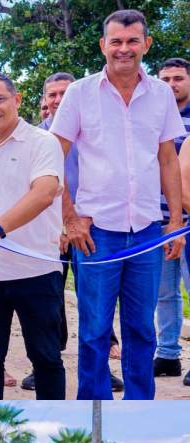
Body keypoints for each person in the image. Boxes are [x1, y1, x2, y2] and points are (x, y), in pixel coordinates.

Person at [50, 9, 186, 400]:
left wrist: (174, 222)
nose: (123, 49)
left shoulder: (160, 94)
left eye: (132, 41)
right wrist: (69, 218)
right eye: (116, 41)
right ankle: (94, 401)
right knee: (93, 330)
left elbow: (167, 161)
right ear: (103, 45)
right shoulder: (79, 93)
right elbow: (52, 157)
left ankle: (140, 403)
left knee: (142, 329)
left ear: (146, 44)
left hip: (145, 230)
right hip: (97, 233)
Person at [0, 71, 66, 400]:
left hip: (35, 271)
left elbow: (45, 192)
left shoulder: (43, 142)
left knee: (45, 357)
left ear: (17, 100)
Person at [27, 71, 124, 395]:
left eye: (64, 93)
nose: (58, 100)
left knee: (94, 301)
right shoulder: (32, 139)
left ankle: (100, 372)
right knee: (45, 300)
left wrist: (78, 221)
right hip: (46, 230)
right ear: (44, 99)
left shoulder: (92, 135)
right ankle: (43, 364)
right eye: (52, 94)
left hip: (90, 228)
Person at [154, 57, 190, 381]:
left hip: (189, 218)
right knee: (164, 292)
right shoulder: (152, 119)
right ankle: (167, 354)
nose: (171, 84)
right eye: (164, 79)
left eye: (178, 78)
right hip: (159, 221)